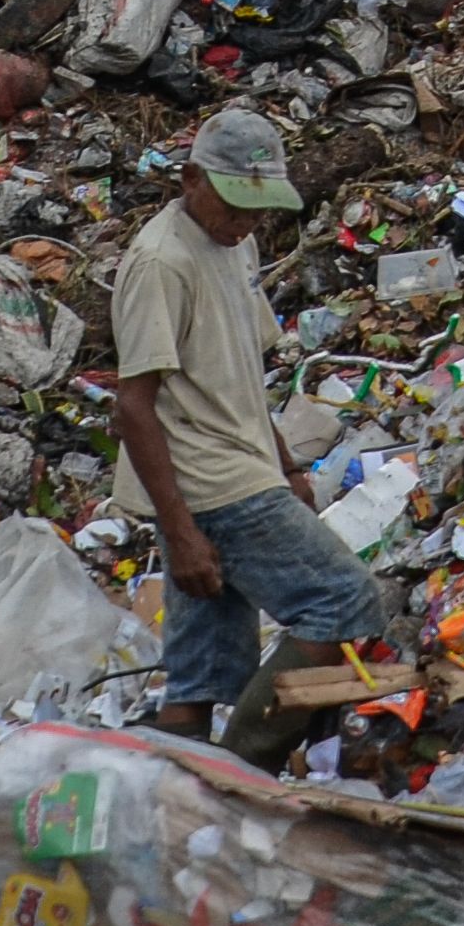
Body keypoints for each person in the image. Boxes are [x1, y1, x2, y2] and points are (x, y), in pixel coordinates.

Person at [113, 103, 394, 737]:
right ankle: (245, 774)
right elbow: (132, 407)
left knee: (202, 667)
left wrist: (285, 461)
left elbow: (239, 369)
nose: (244, 223)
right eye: (233, 205)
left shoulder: (234, 248)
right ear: (190, 180)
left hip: (240, 465)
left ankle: (181, 800)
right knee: (345, 601)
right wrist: (181, 530)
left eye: (256, 209)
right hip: (212, 483)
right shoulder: (162, 262)